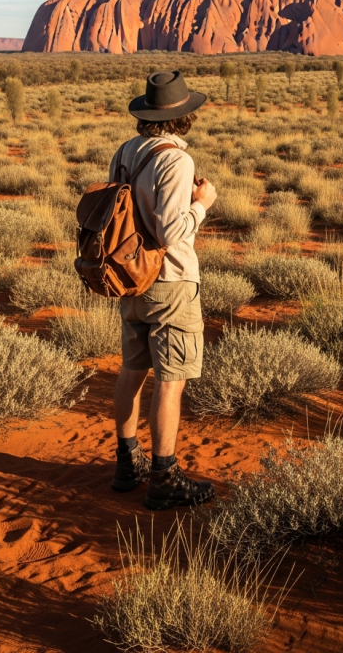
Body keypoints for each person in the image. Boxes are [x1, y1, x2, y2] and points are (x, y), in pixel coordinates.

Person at [109, 69, 217, 510]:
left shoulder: (127, 151)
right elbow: (172, 231)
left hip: (131, 280)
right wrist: (202, 204)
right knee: (170, 382)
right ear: (183, 116)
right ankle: (164, 476)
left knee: (131, 373)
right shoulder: (177, 160)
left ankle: (126, 462)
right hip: (169, 281)